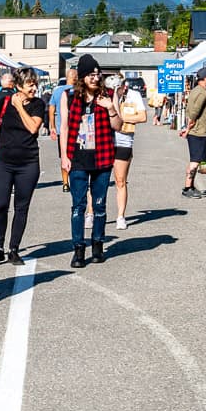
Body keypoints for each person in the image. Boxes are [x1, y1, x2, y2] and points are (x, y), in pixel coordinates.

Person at [0, 67, 44, 266]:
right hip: (3, 162)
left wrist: (20, 106)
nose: (34, 88)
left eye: (35, 84)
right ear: (19, 86)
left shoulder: (38, 104)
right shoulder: (3, 102)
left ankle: (14, 248)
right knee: (1, 206)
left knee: (21, 207)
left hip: (28, 163)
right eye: (30, 85)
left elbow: (33, 128)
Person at [60, 54, 121, 268]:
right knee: (78, 205)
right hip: (77, 158)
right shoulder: (68, 96)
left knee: (99, 204)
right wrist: (64, 156)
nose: (95, 79)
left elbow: (118, 126)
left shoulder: (109, 95)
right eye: (91, 75)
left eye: (98, 75)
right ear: (82, 77)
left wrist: (110, 108)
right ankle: (78, 249)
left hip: (102, 157)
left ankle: (98, 244)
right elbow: (65, 128)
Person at [112, 79, 148, 230]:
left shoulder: (134, 95)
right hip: (104, 140)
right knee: (95, 180)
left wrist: (121, 118)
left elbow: (142, 117)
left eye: (119, 86)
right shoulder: (106, 96)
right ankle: (91, 213)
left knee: (120, 180)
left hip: (124, 140)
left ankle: (121, 216)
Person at [179, 66, 206, 198]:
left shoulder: (196, 90)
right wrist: (188, 129)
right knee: (195, 161)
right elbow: (194, 112)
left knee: (195, 160)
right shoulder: (202, 93)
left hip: (196, 131)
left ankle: (191, 186)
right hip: (198, 131)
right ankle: (187, 187)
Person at [48, 68, 77, 192]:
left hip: (62, 130)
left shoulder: (58, 91)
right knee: (77, 157)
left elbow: (51, 109)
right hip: (77, 130)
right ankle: (76, 181)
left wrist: (52, 126)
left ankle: (65, 183)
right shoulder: (80, 91)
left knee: (64, 156)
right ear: (76, 77)